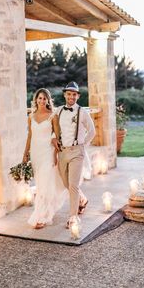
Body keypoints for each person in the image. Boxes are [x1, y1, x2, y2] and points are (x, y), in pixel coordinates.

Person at [52, 82, 96, 228]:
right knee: (66, 183)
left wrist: (83, 145)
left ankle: (73, 217)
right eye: (69, 94)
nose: (71, 97)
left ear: (78, 96)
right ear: (65, 95)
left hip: (77, 152)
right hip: (62, 152)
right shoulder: (58, 111)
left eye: (74, 94)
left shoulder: (82, 112)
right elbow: (55, 129)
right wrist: (53, 137)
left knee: (73, 185)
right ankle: (82, 200)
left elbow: (92, 131)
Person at [22, 88, 66, 229]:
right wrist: (25, 153)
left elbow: (57, 136)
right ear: (36, 99)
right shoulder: (31, 116)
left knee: (45, 184)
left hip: (48, 152)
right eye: (39, 98)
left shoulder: (53, 115)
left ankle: (42, 216)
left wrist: (55, 154)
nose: (42, 101)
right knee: (41, 184)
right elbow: (30, 136)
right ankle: (45, 210)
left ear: (48, 100)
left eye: (44, 98)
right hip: (36, 153)